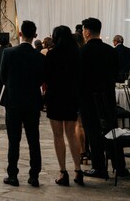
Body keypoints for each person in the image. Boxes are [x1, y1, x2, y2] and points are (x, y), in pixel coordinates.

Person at [1, 20, 45, 188]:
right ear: (35, 35)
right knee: (34, 140)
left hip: (13, 101)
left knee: (14, 140)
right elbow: (41, 79)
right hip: (32, 101)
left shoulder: (9, 53)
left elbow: (3, 76)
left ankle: (12, 175)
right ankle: (34, 176)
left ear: (20, 34)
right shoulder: (39, 57)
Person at [44, 26, 83, 186]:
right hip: (72, 96)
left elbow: (46, 76)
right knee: (72, 134)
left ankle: (63, 172)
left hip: (55, 96)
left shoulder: (52, 54)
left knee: (58, 136)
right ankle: (78, 170)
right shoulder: (77, 53)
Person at [78, 17, 117, 179]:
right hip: (108, 96)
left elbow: (79, 77)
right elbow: (116, 74)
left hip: (88, 99)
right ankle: (119, 166)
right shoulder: (110, 51)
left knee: (93, 132)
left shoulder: (83, 52)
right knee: (112, 130)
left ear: (87, 32)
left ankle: (99, 167)